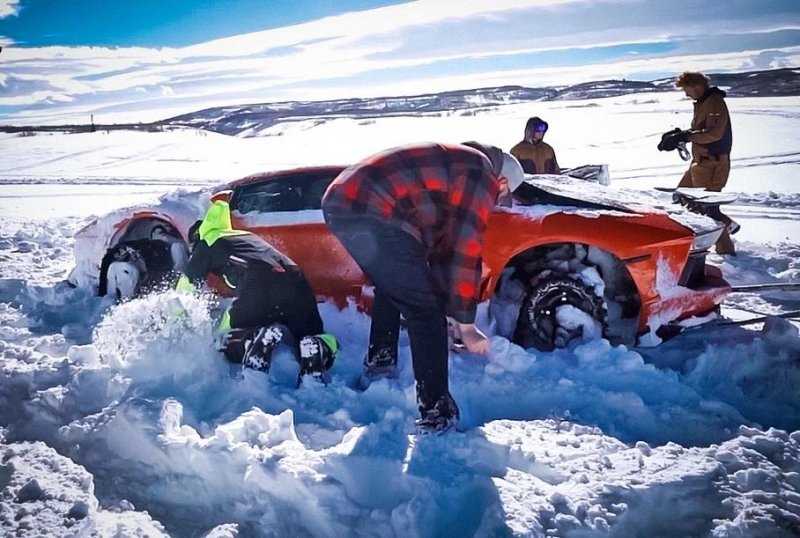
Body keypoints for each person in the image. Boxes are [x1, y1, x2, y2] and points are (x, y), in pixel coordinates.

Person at [321, 142, 525, 433]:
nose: (494, 202)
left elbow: (443, 253)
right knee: (425, 313)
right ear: (501, 182)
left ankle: (380, 364)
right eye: (500, 196)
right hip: (371, 207)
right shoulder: (480, 173)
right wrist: (467, 325)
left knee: (394, 287)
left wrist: (454, 314)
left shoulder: (457, 165)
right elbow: (464, 249)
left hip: (345, 202)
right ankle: (437, 414)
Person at [176, 191, 339, 382]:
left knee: (222, 338)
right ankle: (317, 346)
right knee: (311, 334)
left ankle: (251, 340)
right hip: (296, 281)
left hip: (258, 284)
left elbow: (185, 289)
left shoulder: (206, 243)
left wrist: (176, 321)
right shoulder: (244, 236)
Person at [673, 71, 737, 255]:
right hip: (700, 162)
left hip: (712, 163)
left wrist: (687, 136)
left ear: (697, 86)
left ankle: (726, 249)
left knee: (707, 209)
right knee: (682, 197)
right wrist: (680, 135)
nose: (686, 94)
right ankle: (727, 224)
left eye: (686, 89)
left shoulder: (714, 102)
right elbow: (702, 130)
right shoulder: (703, 102)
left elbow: (714, 134)